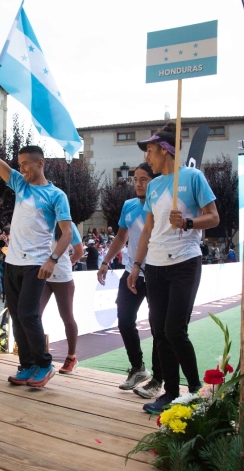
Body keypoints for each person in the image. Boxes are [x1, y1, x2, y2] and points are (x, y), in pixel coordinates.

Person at [0, 100, 72, 388]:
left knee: (30, 314)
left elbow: (66, 234)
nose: (22, 170)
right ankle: (26, 365)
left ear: (40, 163)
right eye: (19, 166)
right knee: (17, 316)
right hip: (12, 262)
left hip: (36, 264)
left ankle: (44, 364)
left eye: (26, 165)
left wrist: (52, 260)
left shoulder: (56, 196)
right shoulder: (20, 184)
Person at [128, 123, 219, 413]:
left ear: (165, 151)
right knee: (159, 331)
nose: (149, 158)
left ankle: (194, 391)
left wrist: (189, 223)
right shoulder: (153, 186)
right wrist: (136, 266)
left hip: (184, 263)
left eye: (152, 152)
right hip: (154, 266)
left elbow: (214, 217)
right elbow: (147, 231)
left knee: (175, 330)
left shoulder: (193, 177)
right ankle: (170, 392)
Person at [98, 162, 164, 398]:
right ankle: (138, 368)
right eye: (135, 179)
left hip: (156, 272)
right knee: (124, 319)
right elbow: (120, 237)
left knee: (158, 327)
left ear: (154, 181)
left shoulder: (161, 206)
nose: (137, 183)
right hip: (131, 271)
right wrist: (105, 261)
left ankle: (158, 379)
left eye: (143, 179)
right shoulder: (128, 205)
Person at [39, 222, 84, 374]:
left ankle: (72, 357)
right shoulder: (41, 221)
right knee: (34, 315)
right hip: (43, 277)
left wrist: (70, 261)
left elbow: (79, 251)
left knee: (67, 317)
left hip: (63, 278)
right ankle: (38, 355)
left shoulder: (68, 225)